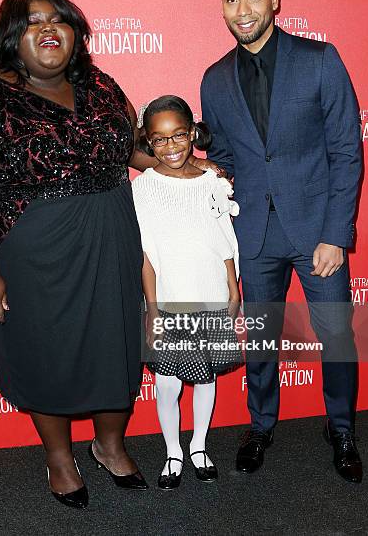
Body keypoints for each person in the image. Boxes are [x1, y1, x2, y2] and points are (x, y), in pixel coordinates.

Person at [0, 0, 174, 509]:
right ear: (11, 37)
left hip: (114, 242)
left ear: (75, 34)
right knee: (47, 355)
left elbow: (130, 148)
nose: (49, 29)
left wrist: (186, 172)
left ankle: (109, 446)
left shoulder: (100, 85)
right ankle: (60, 458)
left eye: (59, 21)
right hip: (37, 254)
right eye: (33, 21)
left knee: (119, 347)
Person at [201, 0, 363, 483]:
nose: (242, 9)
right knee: (261, 338)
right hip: (254, 233)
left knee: (336, 333)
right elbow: (225, 156)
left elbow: (346, 150)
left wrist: (336, 234)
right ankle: (260, 424)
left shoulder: (320, 59)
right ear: (221, 8)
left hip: (318, 231)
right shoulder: (215, 78)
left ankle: (341, 428)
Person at [132, 95, 242, 489]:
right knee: (168, 382)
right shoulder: (142, 188)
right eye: (160, 139)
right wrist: (154, 308)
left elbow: (224, 237)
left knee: (206, 376)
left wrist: (233, 287)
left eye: (179, 135)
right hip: (170, 297)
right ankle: (173, 451)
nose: (172, 146)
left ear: (193, 133)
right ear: (147, 142)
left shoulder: (212, 181)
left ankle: (199, 446)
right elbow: (146, 254)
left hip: (210, 291)